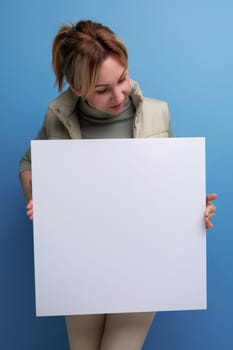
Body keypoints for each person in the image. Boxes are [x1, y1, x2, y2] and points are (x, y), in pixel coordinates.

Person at [19, 20, 217, 350]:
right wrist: (39, 193)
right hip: (80, 262)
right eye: (102, 89)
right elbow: (29, 163)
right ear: (77, 87)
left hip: (143, 262)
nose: (118, 95)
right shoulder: (57, 118)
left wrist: (196, 206)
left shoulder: (157, 113)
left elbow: (171, 180)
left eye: (122, 78)